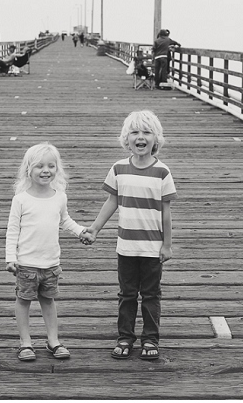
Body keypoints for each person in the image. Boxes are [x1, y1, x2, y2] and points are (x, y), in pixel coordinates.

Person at [80, 110, 177, 361]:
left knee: (151, 294)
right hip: (126, 247)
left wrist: (167, 245)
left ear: (156, 139)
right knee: (127, 294)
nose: (140, 137)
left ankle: (150, 338)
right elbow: (112, 201)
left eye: (146, 132)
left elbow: (166, 212)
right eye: (135, 132)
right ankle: (125, 336)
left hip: (152, 248)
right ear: (127, 139)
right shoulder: (118, 168)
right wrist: (95, 228)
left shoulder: (162, 172)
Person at [5, 142, 90, 362]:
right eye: (39, 166)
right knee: (23, 301)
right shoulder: (21, 200)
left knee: (48, 301)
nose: (46, 170)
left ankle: (53, 340)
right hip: (26, 264)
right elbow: (12, 230)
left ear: (57, 169)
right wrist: (10, 258)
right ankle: (25, 342)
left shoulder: (59, 196)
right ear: (28, 170)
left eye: (51, 166)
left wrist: (82, 231)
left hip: (51, 264)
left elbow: (65, 220)